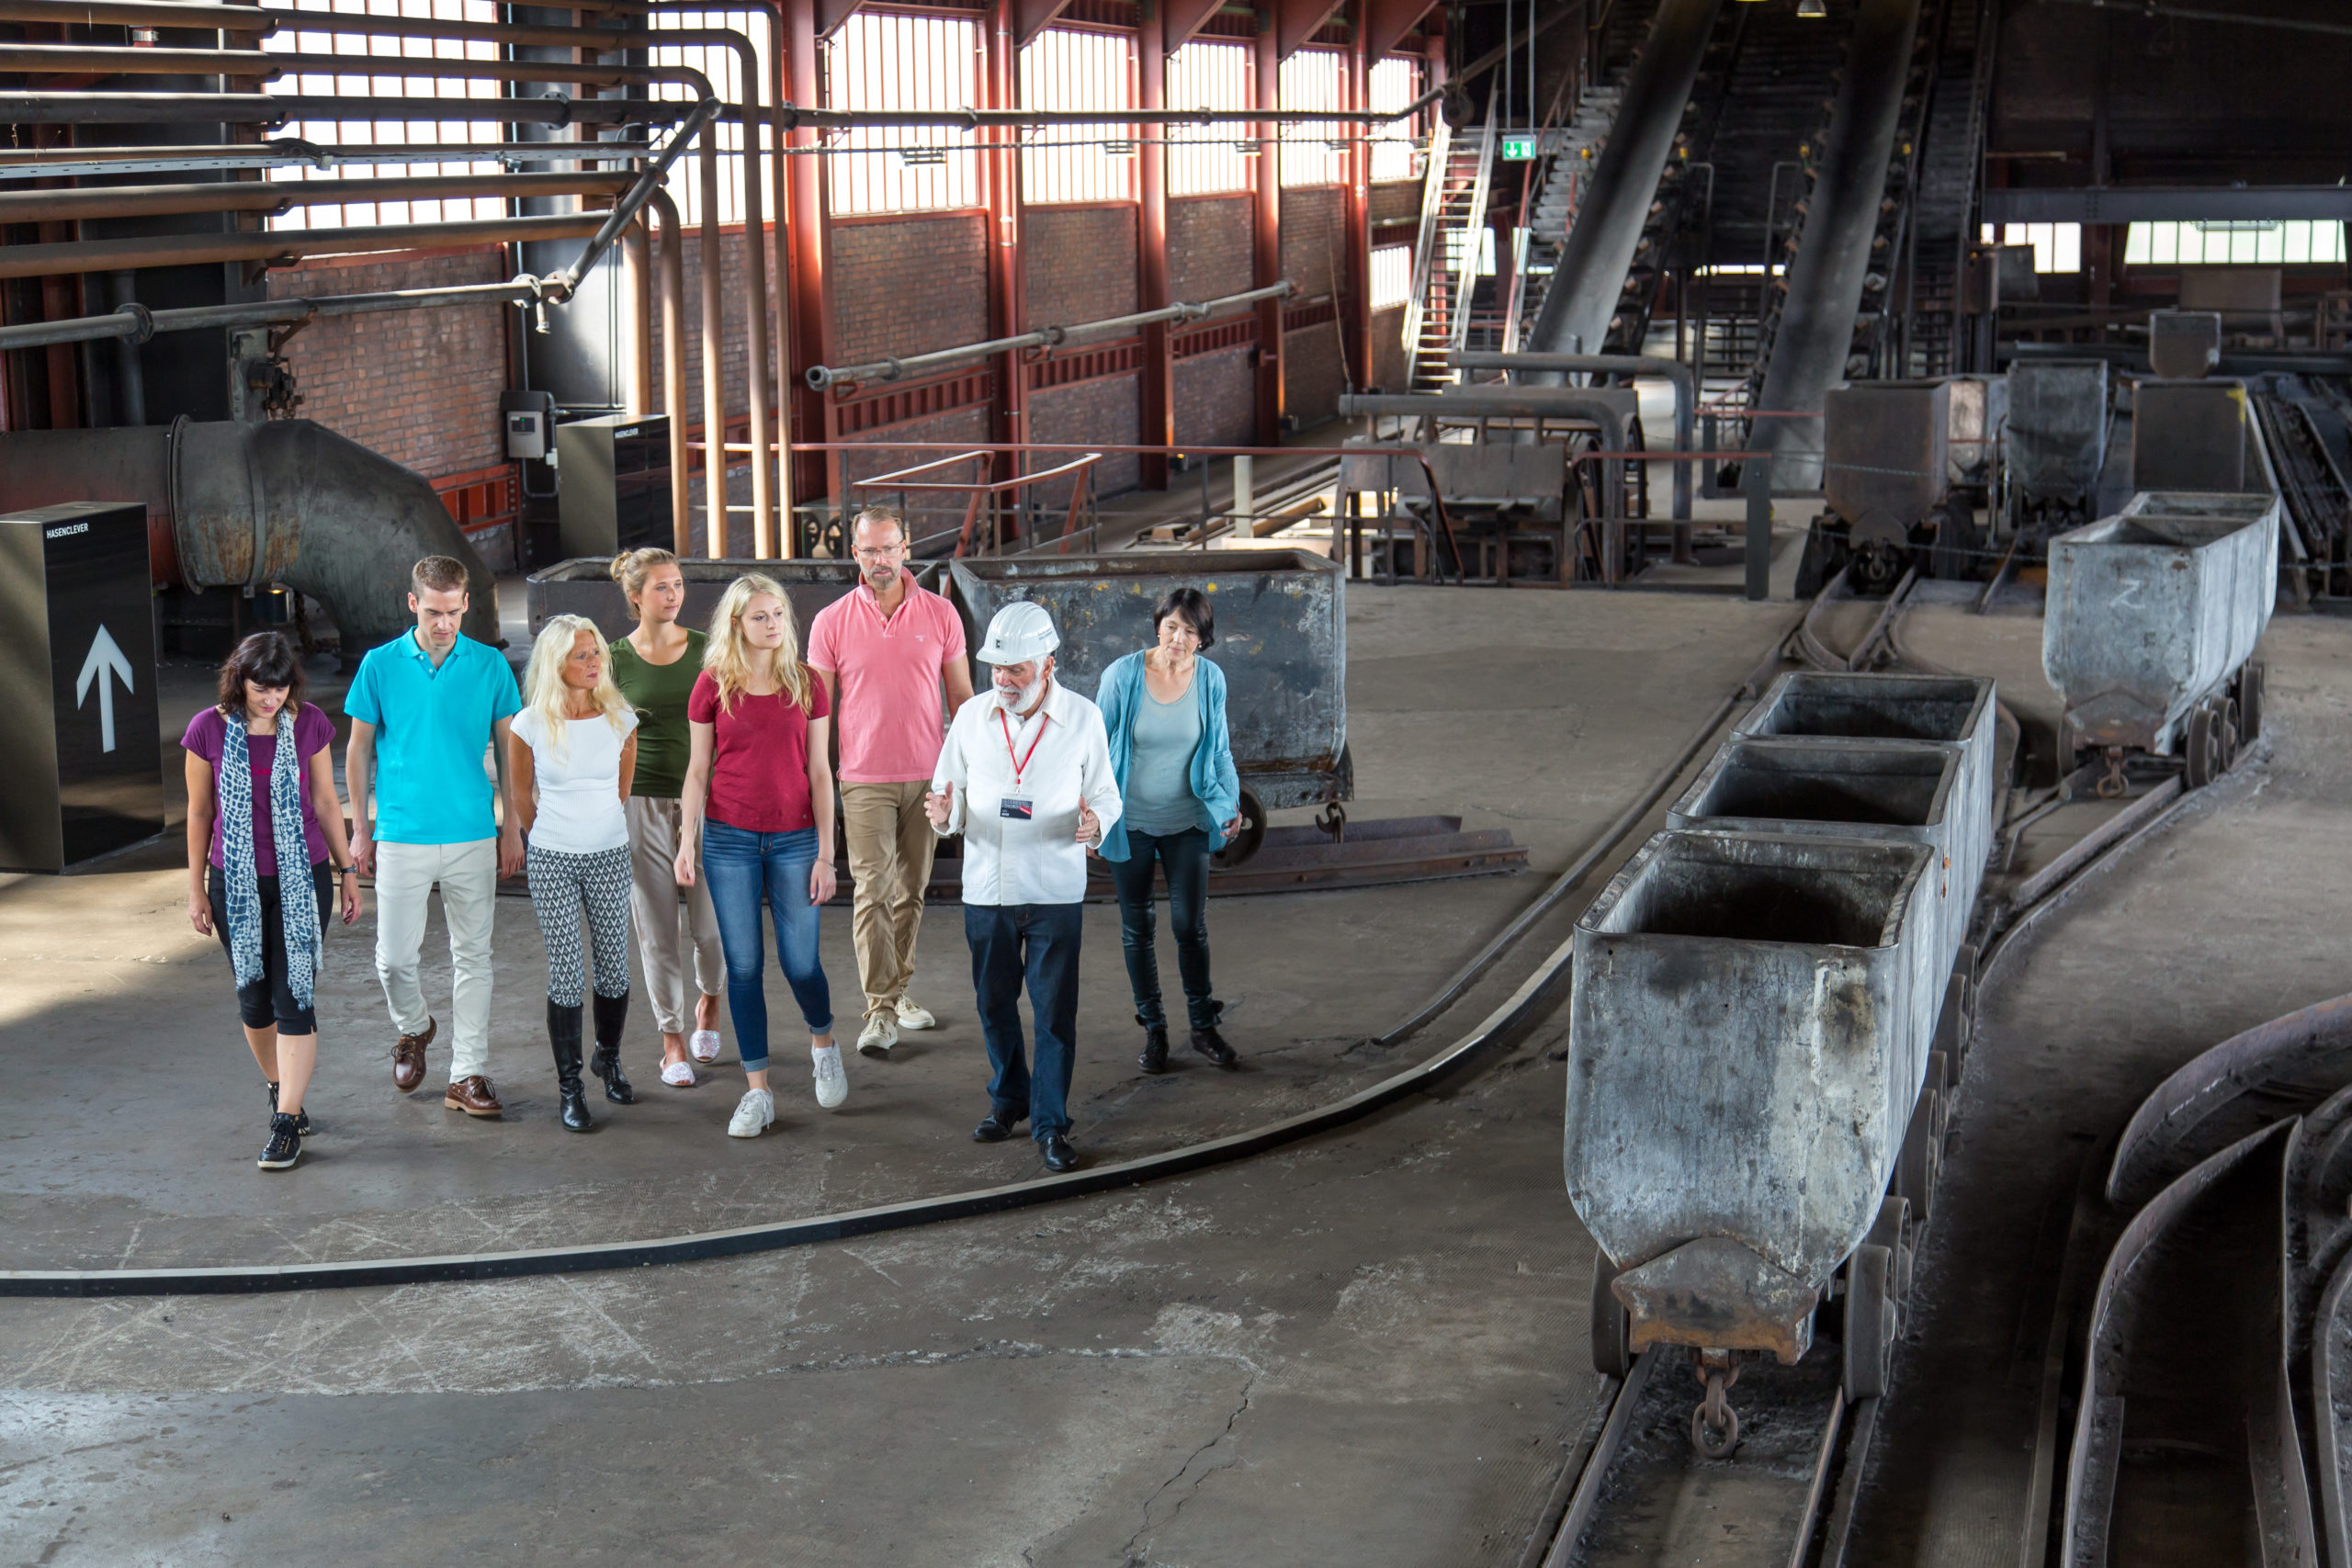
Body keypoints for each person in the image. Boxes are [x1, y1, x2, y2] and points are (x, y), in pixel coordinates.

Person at [926, 602, 1121, 1174]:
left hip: (1054, 887)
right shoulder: (969, 719)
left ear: (1049, 665)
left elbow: (1106, 795)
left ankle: (1050, 1124)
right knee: (993, 1004)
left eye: (1016, 670)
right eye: (997, 670)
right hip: (986, 886)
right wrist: (943, 813)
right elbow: (948, 797)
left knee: (1054, 1012)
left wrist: (1096, 824)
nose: (1004, 681)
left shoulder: (1084, 719)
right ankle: (1009, 1098)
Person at [345, 555, 525, 1120]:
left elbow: (509, 752)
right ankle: (414, 1027)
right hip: (401, 832)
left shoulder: (491, 666)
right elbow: (356, 749)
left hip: (473, 830)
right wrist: (361, 829)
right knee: (394, 960)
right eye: (432, 611)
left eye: (452, 611)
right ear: (412, 604)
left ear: (466, 604)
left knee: (474, 957)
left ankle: (466, 1073)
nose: (443, 623)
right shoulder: (379, 665)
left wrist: (512, 825)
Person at [183, 632, 362, 1171]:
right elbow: (199, 815)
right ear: (240, 680)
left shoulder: (308, 724)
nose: (271, 700)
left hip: (301, 881)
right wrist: (195, 889)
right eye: (261, 689)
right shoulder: (206, 729)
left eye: (280, 690)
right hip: (233, 884)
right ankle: (279, 1084)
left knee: (294, 999)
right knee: (254, 1002)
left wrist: (348, 872)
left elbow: (327, 802)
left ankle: (286, 1121)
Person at [674, 574, 843, 1138]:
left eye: (778, 615)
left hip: (797, 839)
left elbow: (821, 773)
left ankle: (823, 1041)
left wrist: (826, 854)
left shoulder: (807, 684)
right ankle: (758, 1092)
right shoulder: (712, 685)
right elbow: (698, 772)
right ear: (737, 623)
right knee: (743, 967)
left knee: (800, 963)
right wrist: (686, 842)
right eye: (760, 617)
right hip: (729, 840)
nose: (772, 625)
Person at [807, 505, 974, 1060]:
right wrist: (820, 782)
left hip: (929, 778)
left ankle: (899, 992)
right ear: (855, 554)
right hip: (862, 779)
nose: (880, 560)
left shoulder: (943, 614)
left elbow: (963, 703)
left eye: (889, 548)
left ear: (907, 548)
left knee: (912, 892)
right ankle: (879, 1009)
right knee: (872, 892)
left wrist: (968, 775)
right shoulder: (831, 622)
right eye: (869, 550)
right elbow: (817, 713)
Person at [1094, 588, 1243, 1075]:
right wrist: (1094, 815)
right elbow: (1094, 754)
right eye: (1171, 626)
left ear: (1203, 640)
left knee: (1188, 926)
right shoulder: (1122, 676)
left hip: (1187, 821)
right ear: (1158, 624)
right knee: (1137, 929)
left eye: (1190, 631)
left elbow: (1219, 751)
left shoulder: (1211, 680)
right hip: (1131, 822)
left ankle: (1202, 1026)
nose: (1178, 638)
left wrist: (1231, 801)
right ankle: (1155, 1031)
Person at [509, 615, 641, 1132]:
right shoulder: (530, 723)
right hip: (553, 859)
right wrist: (554, 836)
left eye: (596, 654)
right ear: (555, 662)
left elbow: (620, 791)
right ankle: (570, 1087)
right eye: (581, 655)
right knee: (566, 974)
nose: (593, 663)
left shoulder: (620, 718)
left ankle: (607, 1057)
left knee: (614, 968)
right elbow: (522, 797)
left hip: (609, 852)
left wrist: (594, 828)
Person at [607, 547, 727, 1088]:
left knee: (710, 928)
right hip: (642, 804)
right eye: (661, 586)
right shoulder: (613, 660)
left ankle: (710, 1001)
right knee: (657, 931)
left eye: (677, 584)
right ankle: (671, 1038)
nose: (674, 594)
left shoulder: (708, 651)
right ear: (636, 597)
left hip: (709, 802)